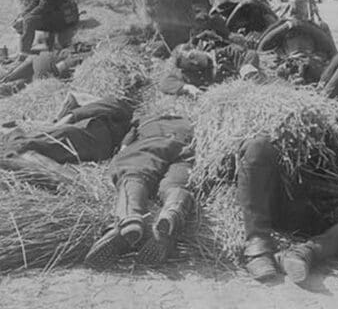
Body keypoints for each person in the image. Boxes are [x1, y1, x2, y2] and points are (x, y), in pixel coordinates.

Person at [236, 136, 338, 283]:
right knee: (257, 145)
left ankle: (307, 252)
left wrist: (327, 136)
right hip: (280, 201)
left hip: (318, 204)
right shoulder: (255, 127)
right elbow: (233, 169)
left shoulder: (319, 125)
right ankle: (258, 247)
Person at [84, 115, 196, 268]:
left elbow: (127, 140)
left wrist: (123, 150)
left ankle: (130, 218)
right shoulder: (191, 122)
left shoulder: (144, 120)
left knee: (134, 174)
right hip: (184, 147)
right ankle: (172, 211)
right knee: (174, 185)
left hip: (150, 143)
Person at [1, 94, 133, 165]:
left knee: (26, 144)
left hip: (86, 136)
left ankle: (12, 145)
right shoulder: (119, 117)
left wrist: (57, 122)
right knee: (39, 147)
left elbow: (72, 105)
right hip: (96, 147)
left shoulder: (113, 103)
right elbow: (71, 100)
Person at [159, 33, 261, 96]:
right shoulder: (193, 74)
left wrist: (246, 69)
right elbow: (164, 83)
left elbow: (250, 54)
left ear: (196, 48)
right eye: (190, 65)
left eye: (192, 56)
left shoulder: (225, 53)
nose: (195, 63)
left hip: (245, 92)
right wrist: (186, 87)